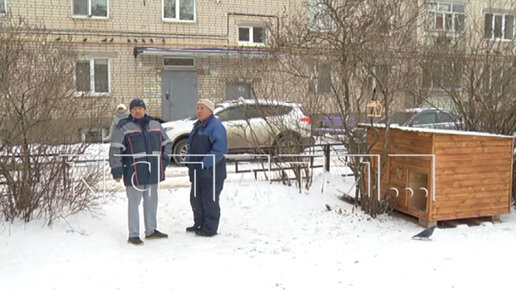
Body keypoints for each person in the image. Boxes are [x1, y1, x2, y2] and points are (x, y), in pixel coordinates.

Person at [108, 98, 172, 245]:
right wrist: (116, 170)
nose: (137, 110)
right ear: (131, 111)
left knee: (151, 202)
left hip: (153, 171)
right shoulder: (123, 127)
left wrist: (164, 160)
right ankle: (134, 234)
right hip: (134, 172)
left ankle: (151, 230)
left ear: (144, 109)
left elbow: (167, 144)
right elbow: (115, 150)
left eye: (140, 108)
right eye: (134, 108)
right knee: (134, 204)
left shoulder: (155, 124)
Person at [185, 99, 227, 237]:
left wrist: (205, 162)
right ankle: (199, 223)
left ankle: (210, 228)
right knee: (196, 199)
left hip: (211, 172)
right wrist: (188, 159)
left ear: (210, 110)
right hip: (197, 172)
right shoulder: (197, 126)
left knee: (210, 201)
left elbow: (219, 150)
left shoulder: (216, 126)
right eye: (197, 108)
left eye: (202, 108)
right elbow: (191, 146)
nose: (199, 111)